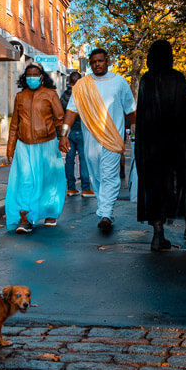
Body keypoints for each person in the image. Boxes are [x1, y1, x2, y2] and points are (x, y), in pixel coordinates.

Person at [135, 40, 186, 251]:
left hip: (151, 143)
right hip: (177, 141)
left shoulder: (146, 80)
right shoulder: (177, 78)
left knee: (154, 186)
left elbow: (142, 114)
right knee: (183, 181)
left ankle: (158, 234)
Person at [59, 48, 136, 236]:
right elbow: (71, 111)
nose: (97, 65)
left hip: (113, 137)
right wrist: (64, 134)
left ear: (107, 61)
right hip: (91, 138)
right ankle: (104, 210)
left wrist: (138, 129)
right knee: (96, 176)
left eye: (100, 61)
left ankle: (106, 215)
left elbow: (131, 110)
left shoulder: (119, 82)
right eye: (93, 62)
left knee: (109, 174)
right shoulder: (82, 85)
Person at [5, 64, 66, 233]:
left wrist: (64, 137)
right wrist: (10, 147)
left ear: (41, 77)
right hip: (24, 145)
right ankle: (25, 217)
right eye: (28, 75)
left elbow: (60, 119)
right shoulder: (20, 96)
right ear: (25, 78)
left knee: (48, 180)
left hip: (47, 143)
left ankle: (50, 213)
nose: (32, 77)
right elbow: (14, 124)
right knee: (25, 179)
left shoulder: (50, 94)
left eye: (35, 74)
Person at [60, 71, 91, 197]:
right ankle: (85, 188)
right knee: (84, 159)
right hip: (83, 131)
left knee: (69, 160)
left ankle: (71, 188)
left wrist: (61, 135)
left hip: (69, 132)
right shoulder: (85, 95)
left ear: (69, 82)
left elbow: (60, 115)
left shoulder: (64, 96)